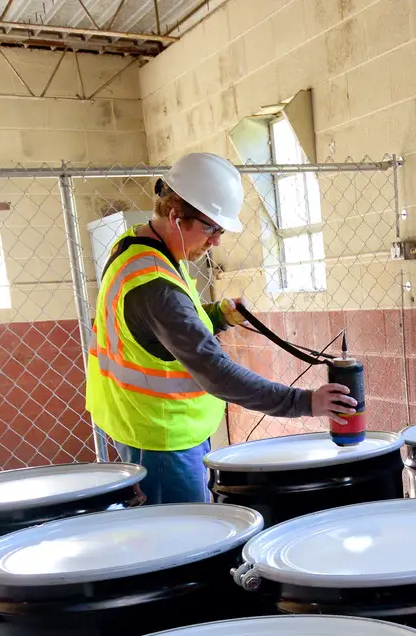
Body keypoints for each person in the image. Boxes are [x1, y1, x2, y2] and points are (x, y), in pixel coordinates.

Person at [84, 151, 356, 504]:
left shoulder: (138, 246)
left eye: (220, 229)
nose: (216, 241)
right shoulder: (155, 285)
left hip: (150, 425)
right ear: (175, 216)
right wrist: (305, 402)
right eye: (211, 227)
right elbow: (218, 374)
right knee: (183, 545)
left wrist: (218, 316)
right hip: (162, 437)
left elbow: (157, 333)